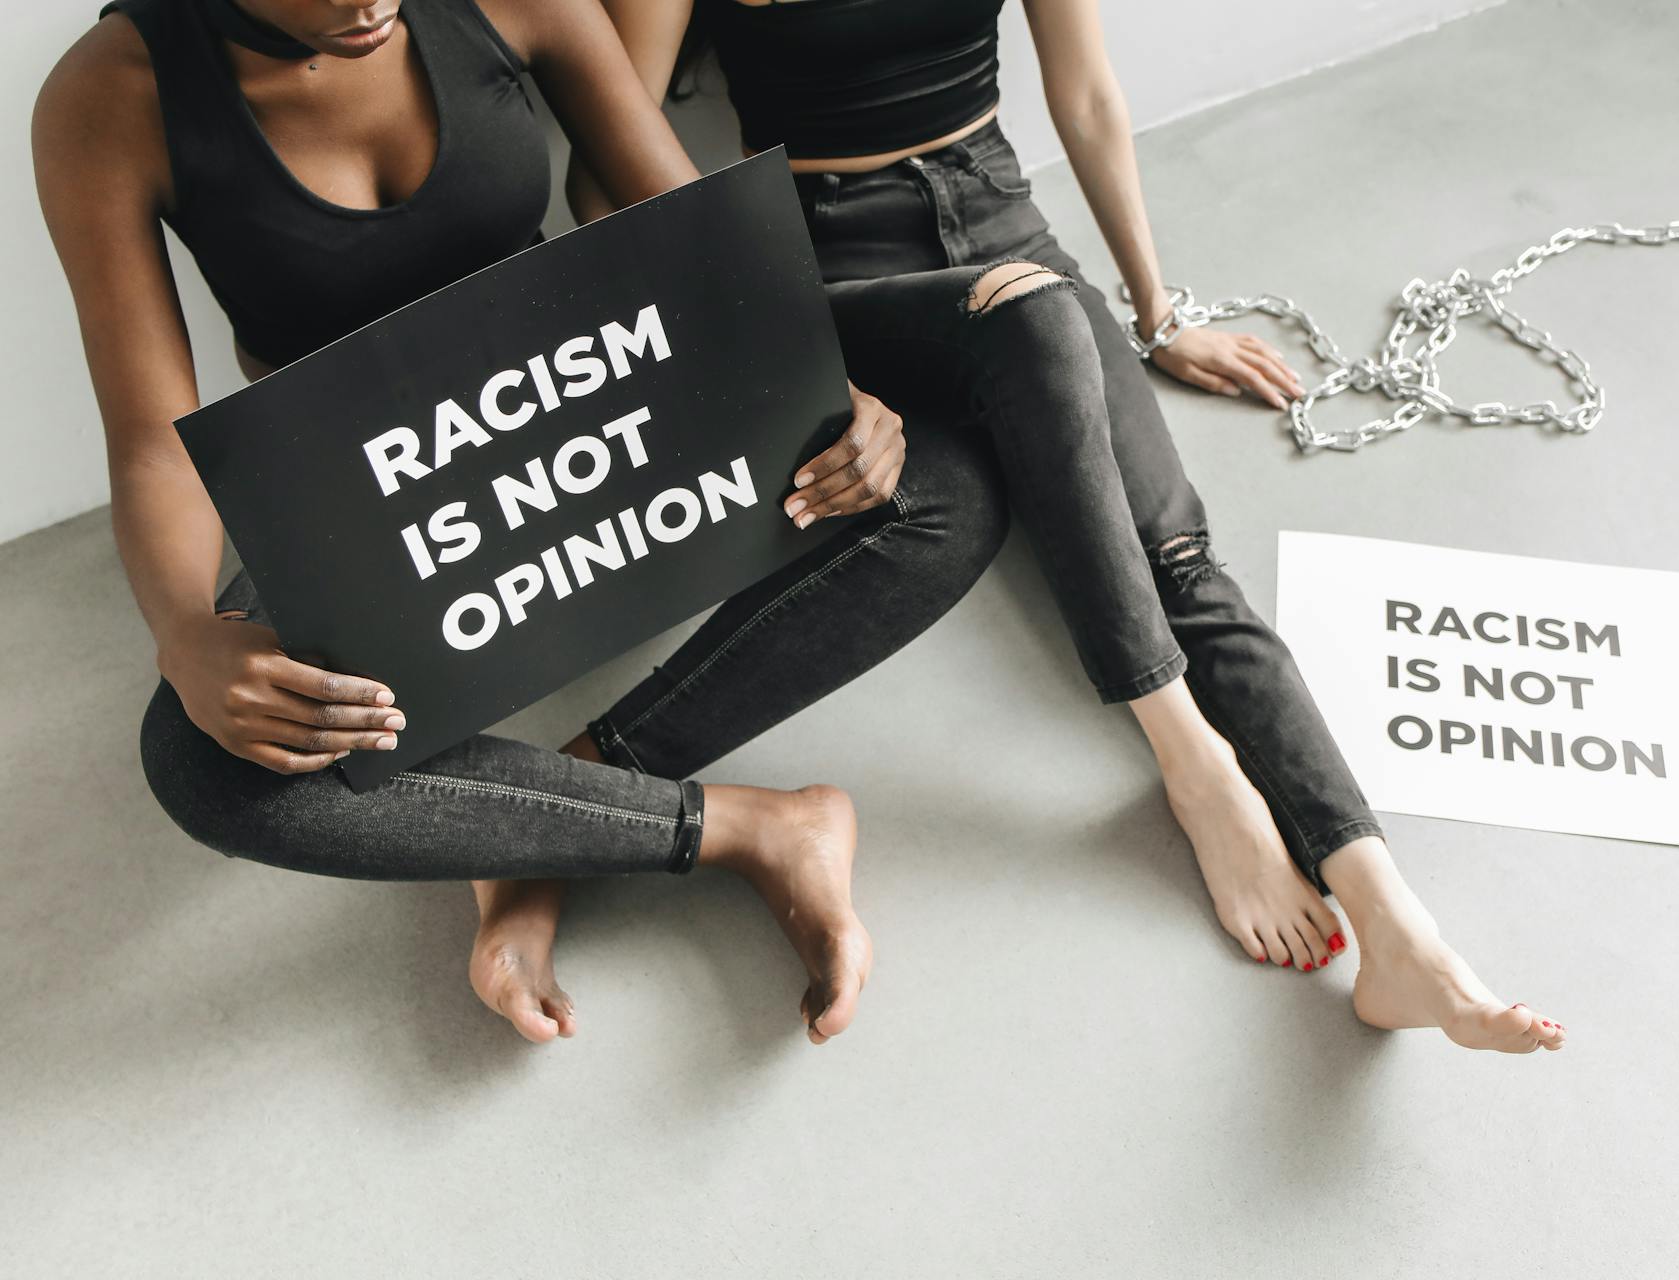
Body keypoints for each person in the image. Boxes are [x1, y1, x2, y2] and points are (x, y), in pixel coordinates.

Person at [573, 0, 1568, 1052]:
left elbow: (1085, 92)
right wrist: (775, 360)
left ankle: (1394, 920)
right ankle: (1196, 766)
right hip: (826, 265)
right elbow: (606, 165)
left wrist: (1157, 310)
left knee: (1178, 557)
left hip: (1003, 221)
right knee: (1031, 336)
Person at [33, 0, 1021, 1046]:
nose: (369, 5)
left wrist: (830, 391)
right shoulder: (110, 97)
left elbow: (692, 232)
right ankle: (752, 828)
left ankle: (540, 825)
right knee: (201, 759)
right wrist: (186, 630)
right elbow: (150, 437)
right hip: (371, 505)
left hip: (589, 409)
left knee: (942, 488)